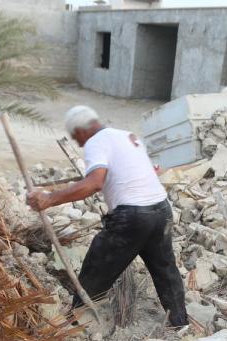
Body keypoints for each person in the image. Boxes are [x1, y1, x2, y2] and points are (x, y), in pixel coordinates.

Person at [26, 105, 188, 327]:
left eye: (76, 138)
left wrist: (49, 199)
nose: (79, 143)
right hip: (161, 210)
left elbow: (94, 183)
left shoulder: (96, 141)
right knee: (165, 269)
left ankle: (74, 323)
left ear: (81, 131)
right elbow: (149, 171)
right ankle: (181, 324)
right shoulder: (128, 136)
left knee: (97, 266)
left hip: (132, 217)